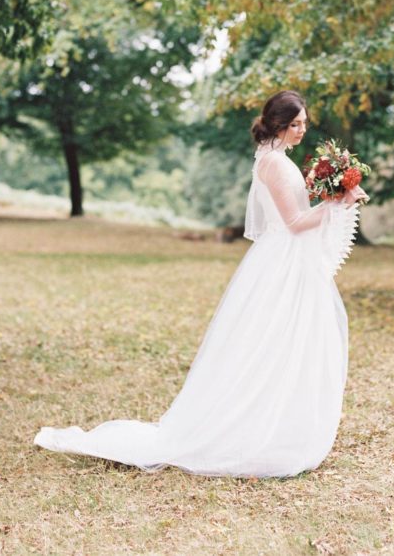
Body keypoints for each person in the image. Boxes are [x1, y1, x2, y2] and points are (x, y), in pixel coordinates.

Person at [34, 90, 369, 477]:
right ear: (277, 124)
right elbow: (294, 224)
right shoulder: (275, 163)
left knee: (285, 342)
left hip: (287, 261)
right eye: (295, 124)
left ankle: (279, 426)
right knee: (273, 343)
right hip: (283, 263)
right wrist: (337, 203)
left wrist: (325, 191)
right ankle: (256, 432)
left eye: (304, 124)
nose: (301, 131)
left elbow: (293, 212)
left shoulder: (275, 160)